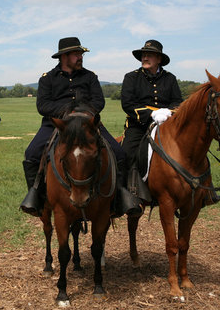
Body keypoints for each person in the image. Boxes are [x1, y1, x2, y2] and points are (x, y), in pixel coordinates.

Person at [20, 37, 125, 217]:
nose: (80, 57)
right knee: (32, 153)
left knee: (119, 153)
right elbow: (43, 105)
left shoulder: (90, 76)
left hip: (88, 123)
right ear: (64, 56)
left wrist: (84, 114)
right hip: (58, 125)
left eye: (81, 54)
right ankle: (36, 197)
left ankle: (120, 198)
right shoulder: (47, 79)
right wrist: (65, 113)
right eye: (77, 54)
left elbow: (98, 101)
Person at [119, 39, 183, 215]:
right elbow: (127, 103)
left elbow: (178, 101)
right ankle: (129, 196)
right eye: (143, 55)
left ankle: (196, 192)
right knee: (126, 153)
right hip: (138, 125)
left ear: (159, 59)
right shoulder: (131, 77)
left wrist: (168, 112)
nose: (145, 57)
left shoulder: (170, 78)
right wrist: (151, 114)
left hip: (166, 124)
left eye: (150, 55)